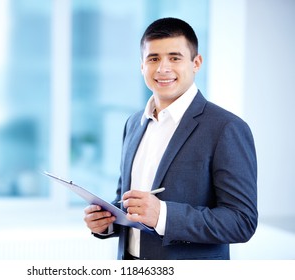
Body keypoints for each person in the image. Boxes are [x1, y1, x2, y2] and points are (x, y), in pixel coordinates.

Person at [83, 17, 258, 260]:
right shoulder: (133, 123)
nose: (163, 68)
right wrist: (107, 223)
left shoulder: (226, 127)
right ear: (141, 66)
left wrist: (163, 215)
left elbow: (242, 221)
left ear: (196, 63)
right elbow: (127, 201)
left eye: (174, 58)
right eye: (153, 58)